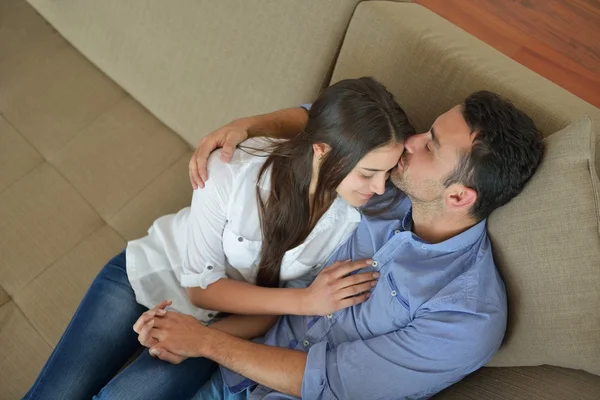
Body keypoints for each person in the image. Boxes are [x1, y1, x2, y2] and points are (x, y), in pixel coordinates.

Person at [23, 77, 415, 400]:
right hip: (156, 273)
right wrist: (308, 301)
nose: (380, 188)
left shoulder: (350, 216)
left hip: (230, 323)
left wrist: (194, 340)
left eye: (386, 172)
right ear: (322, 151)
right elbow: (201, 289)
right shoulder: (232, 170)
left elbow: (271, 312)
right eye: (368, 173)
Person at [139, 90, 544, 399]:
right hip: (234, 355)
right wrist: (246, 126)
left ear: (458, 197)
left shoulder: (466, 315)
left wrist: (205, 342)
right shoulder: (380, 191)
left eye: (431, 145)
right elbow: (322, 124)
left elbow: (330, 381)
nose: (411, 142)